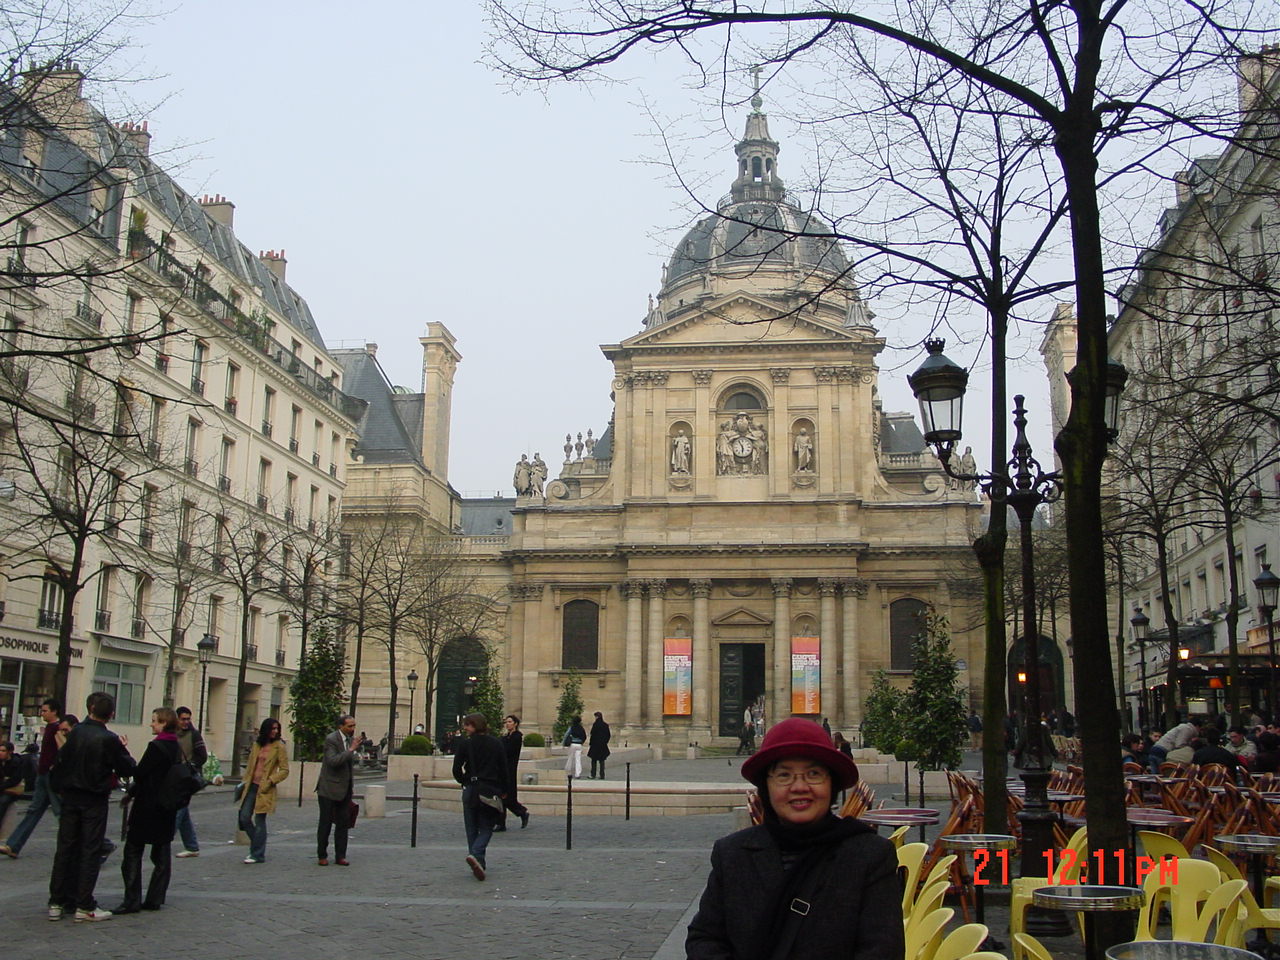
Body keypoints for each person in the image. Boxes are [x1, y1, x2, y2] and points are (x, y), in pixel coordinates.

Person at [685, 718, 905, 959]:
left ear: (831, 784)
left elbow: (882, 950)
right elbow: (705, 938)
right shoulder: (732, 853)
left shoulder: (870, 856)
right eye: (783, 775)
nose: (799, 786)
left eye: (814, 773)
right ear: (766, 788)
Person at [47, 691, 136, 922]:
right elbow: (127, 768)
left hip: (70, 796)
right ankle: (83, 903)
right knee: (90, 849)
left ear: (89, 709)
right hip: (94, 798)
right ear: (111, 714)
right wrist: (123, 748)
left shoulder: (75, 733)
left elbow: (61, 761)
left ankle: (57, 900)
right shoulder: (109, 739)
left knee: (65, 848)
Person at [114, 707, 182, 914]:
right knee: (161, 854)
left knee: (133, 852)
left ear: (163, 723)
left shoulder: (157, 746)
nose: (152, 724)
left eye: (155, 721)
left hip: (148, 806)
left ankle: (132, 899)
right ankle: (155, 897)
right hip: (167, 805)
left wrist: (124, 752)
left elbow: (140, 773)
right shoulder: (175, 746)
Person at [0, 698, 63, 858]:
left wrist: (52, 768)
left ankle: (98, 844)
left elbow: (62, 751)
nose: (42, 713)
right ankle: (13, 845)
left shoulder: (57, 728)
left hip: (50, 776)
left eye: (45, 711)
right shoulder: (49, 728)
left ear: (54, 711)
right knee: (33, 811)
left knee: (62, 812)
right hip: (42, 775)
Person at [452, 712, 506, 881]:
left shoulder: (465, 744)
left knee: (471, 826)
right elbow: (503, 768)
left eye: (468, 725)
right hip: (489, 789)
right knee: (487, 826)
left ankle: (476, 858)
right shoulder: (496, 743)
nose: (465, 728)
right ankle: (477, 857)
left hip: (471, 788)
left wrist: (464, 781)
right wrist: (504, 790)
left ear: (474, 725)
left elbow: (456, 768)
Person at [237, 718, 288, 864]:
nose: (275, 731)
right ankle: (257, 844)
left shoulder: (279, 747)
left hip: (265, 788)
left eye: (277, 729)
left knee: (260, 820)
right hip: (251, 785)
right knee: (244, 817)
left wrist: (271, 780)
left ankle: (257, 854)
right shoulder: (257, 745)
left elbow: (285, 770)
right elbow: (250, 766)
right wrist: (244, 782)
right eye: (272, 729)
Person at [316, 714, 362, 866]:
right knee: (325, 823)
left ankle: (340, 855)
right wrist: (351, 750)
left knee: (343, 823)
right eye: (350, 726)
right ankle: (322, 855)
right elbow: (333, 761)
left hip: (345, 789)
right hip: (329, 788)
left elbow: (349, 762)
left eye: (354, 725)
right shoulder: (331, 739)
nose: (352, 729)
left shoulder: (350, 740)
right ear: (341, 726)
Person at [173, 706, 206, 858]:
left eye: (188, 719)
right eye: (183, 719)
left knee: (179, 807)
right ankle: (192, 846)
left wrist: (191, 766)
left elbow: (202, 756)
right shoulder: (172, 734)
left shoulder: (194, 735)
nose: (186, 722)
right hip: (175, 776)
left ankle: (166, 836)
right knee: (183, 811)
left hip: (187, 778)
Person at [498, 715, 530, 830]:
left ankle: (522, 812)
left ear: (515, 723)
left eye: (510, 722)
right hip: (501, 769)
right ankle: (501, 823)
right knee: (500, 797)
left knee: (508, 797)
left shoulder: (517, 737)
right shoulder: (505, 737)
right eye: (506, 722)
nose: (507, 724)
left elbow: (508, 750)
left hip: (510, 769)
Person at [0, 741, 25, 827]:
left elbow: (15, 780)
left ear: (9, 752)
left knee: (3, 801)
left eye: (3, 751)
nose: (0, 753)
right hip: (3, 787)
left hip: (10, 790)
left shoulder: (16, 763)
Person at [588, 711, 611, 779]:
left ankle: (593, 774)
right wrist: (605, 742)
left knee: (594, 760)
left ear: (597, 717)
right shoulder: (605, 725)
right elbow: (608, 735)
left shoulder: (595, 724)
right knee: (602, 761)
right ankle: (602, 775)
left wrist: (591, 743)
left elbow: (592, 734)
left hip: (595, 745)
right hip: (602, 745)